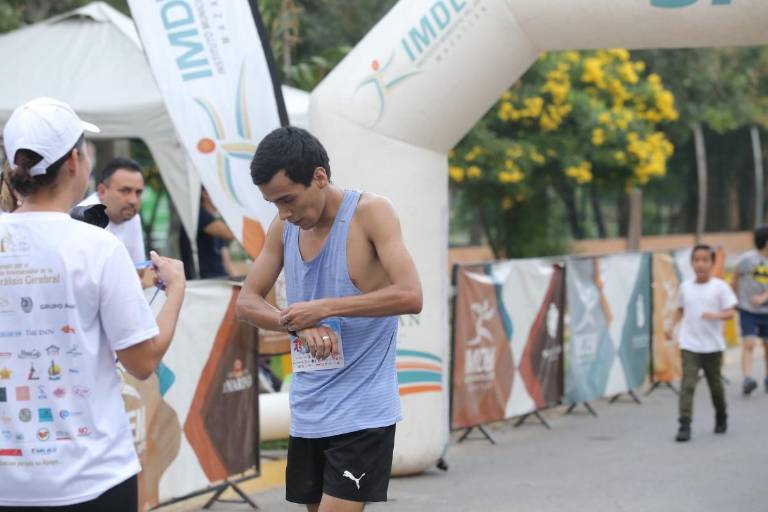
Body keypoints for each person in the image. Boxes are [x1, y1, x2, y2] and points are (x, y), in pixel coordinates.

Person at [0, 97, 186, 510]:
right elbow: (142, 361)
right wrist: (175, 291)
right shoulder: (97, 247)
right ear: (73, 161)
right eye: (85, 149)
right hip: (94, 478)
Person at [236, 126, 422, 512]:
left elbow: (410, 294)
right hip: (310, 410)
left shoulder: (371, 213)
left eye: (289, 200)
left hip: (362, 413)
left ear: (319, 177)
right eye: (274, 204)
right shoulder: (283, 227)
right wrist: (295, 322)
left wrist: (326, 307)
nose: (285, 213)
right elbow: (247, 302)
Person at [666, 244, 737, 442]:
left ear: (712, 263)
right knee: (687, 385)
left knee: (716, 386)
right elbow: (680, 309)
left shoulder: (720, 287)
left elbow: (731, 311)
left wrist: (716, 315)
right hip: (690, 345)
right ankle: (684, 424)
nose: (700, 264)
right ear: (691, 263)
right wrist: (671, 327)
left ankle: (721, 414)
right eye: (696, 260)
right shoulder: (686, 287)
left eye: (705, 260)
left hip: (713, 346)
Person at [79, 157, 146, 266]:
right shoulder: (83, 219)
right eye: (125, 191)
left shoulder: (133, 218)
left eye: (138, 193)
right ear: (102, 191)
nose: (133, 200)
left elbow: (139, 268)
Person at [732, 225, 768, 395]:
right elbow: (735, 277)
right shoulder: (746, 259)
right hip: (747, 309)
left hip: (766, 311)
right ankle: (747, 378)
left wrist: (763, 298)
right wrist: (734, 298)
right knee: (749, 343)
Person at [179, 188, 236, 279]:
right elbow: (232, 233)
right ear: (205, 194)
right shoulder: (198, 215)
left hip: (218, 279)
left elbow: (225, 259)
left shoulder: (213, 222)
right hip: (205, 281)